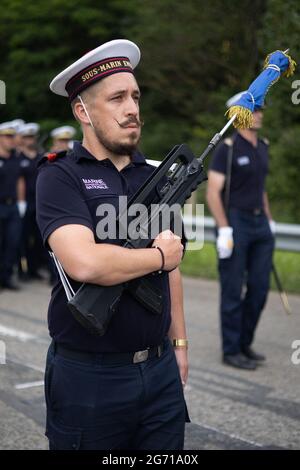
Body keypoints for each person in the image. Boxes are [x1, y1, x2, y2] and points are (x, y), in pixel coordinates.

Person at [36, 39, 188, 450]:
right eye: (117, 98)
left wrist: (179, 344)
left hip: (159, 372)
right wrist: (157, 255)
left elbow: (170, 273)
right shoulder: (60, 177)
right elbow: (84, 262)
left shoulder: (156, 178)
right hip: (90, 376)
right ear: (82, 111)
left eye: (136, 96)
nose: (132, 108)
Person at [206, 92, 275, 370]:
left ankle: (245, 342)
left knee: (259, 288)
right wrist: (224, 229)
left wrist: (268, 219)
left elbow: (262, 189)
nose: (259, 113)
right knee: (233, 289)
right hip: (235, 223)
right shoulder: (228, 148)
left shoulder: (263, 146)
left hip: (260, 224)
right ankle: (231, 350)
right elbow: (213, 193)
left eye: (260, 109)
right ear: (241, 113)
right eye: (254, 109)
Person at [18, 123, 46, 280]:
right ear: (22, 139)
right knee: (22, 237)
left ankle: (34, 269)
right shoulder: (18, 158)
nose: (30, 140)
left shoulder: (41, 157)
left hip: (39, 202)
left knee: (39, 238)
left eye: (32, 137)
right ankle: (23, 271)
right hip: (25, 202)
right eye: (27, 137)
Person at [0, 122, 25, 290]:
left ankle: (6, 277)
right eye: (7, 137)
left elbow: (20, 181)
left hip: (13, 207)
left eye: (12, 137)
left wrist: (22, 202)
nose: (10, 140)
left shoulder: (16, 157)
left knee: (12, 242)